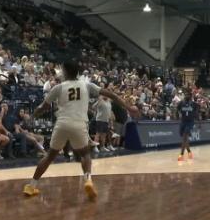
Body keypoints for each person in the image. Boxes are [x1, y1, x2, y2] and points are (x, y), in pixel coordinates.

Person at [22, 61, 134, 200]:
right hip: (79, 124)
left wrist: (32, 117)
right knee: (85, 154)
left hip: (62, 124)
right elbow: (112, 95)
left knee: (50, 156)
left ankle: (31, 186)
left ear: (66, 72)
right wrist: (129, 107)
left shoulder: (59, 87)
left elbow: (42, 107)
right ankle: (88, 180)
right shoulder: (87, 85)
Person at [177, 90, 199, 161]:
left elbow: (197, 114)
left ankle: (181, 154)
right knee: (185, 138)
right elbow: (177, 110)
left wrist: (199, 122)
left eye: (188, 95)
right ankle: (189, 152)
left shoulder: (194, 104)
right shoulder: (181, 103)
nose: (186, 96)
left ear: (190, 96)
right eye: (185, 95)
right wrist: (178, 115)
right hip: (182, 121)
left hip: (190, 122)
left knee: (184, 137)